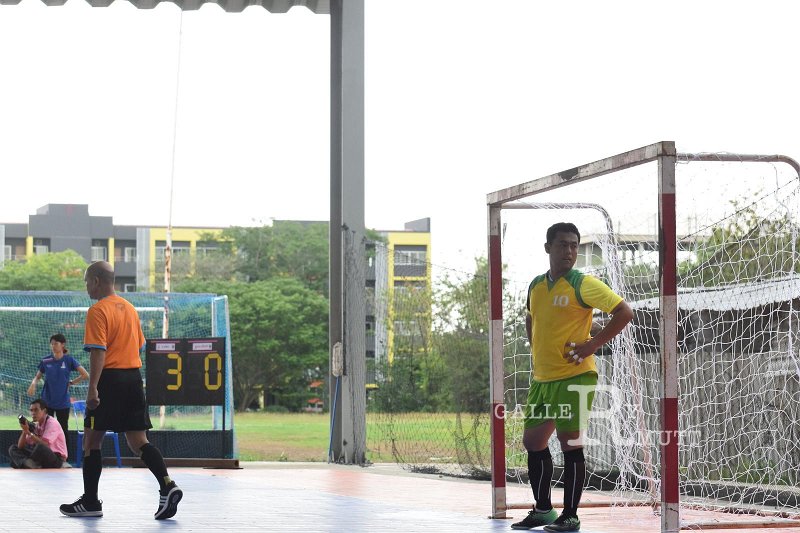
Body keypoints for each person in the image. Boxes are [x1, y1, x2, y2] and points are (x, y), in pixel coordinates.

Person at [511, 223, 633, 532]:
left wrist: (592, 344)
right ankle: (543, 510)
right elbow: (531, 318)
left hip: (575, 376)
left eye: (574, 245)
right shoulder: (536, 286)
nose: (569, 251)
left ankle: (571, 515)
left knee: (570, 443)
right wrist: (537, 349)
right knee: (533, 442)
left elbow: (624, 312)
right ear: (548, 247)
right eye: (563, 244)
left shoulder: (583, 284)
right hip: (543, 378)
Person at [60, 261, 182, 520]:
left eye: (86, 282)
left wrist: (93, 388)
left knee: (91, 441)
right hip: (134, 380)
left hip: (110, 381)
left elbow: (98, 352)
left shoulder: (97, 311)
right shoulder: (129, 309)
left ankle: (91, 502)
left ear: (96, 281)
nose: (86, 287)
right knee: (139, 442)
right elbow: (138, 345)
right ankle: (167, 484)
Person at [27, 333, 89, 438]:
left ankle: (64, 449)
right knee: (46, 430)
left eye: (55, 344)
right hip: (47, 402)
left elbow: (85, 375)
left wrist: (72, 382)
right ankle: (46, 449)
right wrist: (33, 384)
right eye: (51, 344)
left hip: (63, 402)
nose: (53, 346)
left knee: (63, 431)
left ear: (63, 344)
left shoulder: (69, 360)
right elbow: (37, 376)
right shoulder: (46, 360)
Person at [8, 398, 68, 469]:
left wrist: (29, 433)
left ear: (44, 411)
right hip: (40, 457)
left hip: (56, 458)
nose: (33, 413)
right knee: (13, 448)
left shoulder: (52, 423)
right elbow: (20, 446)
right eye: (31, 410)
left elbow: (45, 444)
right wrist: (25, 431)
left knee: (40, 447)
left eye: (36, 410)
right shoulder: (36, 425)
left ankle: (27, 463)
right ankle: (30, 464)